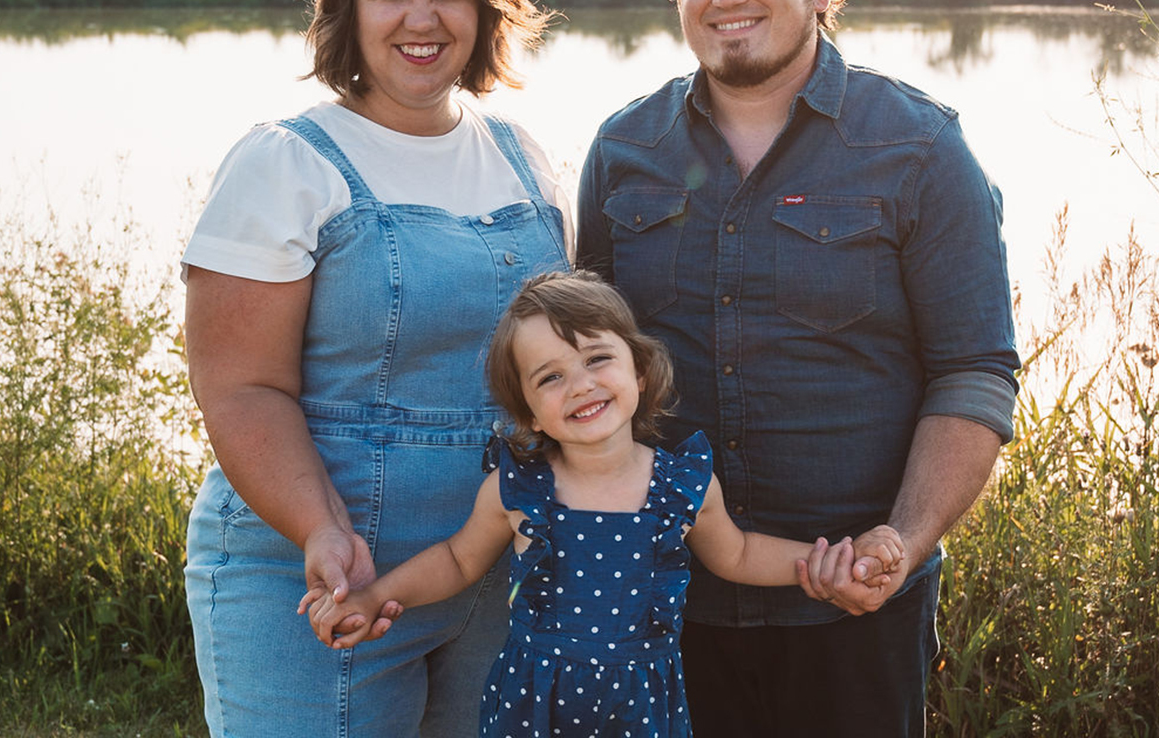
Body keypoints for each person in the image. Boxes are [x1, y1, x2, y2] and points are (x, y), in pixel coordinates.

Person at [576, 0, 1021, 737]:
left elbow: (975, 371)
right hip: (667, 605)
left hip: (855, 610)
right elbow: (587, 368)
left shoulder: (919, 149)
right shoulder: (624, 149)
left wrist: (904, 537)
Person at [181, 0, 569, 737]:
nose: (420, 19)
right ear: (348, 12)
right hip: (318, 577)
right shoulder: (287, 163)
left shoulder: (522, 156)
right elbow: (241, 389)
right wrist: (321, 531)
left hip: (489, 579)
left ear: (483, 10)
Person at [300, 270, 905, 737]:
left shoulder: (681, 485)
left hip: (642, 704)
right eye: (550, 377)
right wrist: (378, 595)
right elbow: (458, 561)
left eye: (597, 359)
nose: (582, 384)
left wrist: (826, 563)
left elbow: (740, 554)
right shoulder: (518, 489)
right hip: (534, 702)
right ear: (529, 412)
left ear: (639, 371)